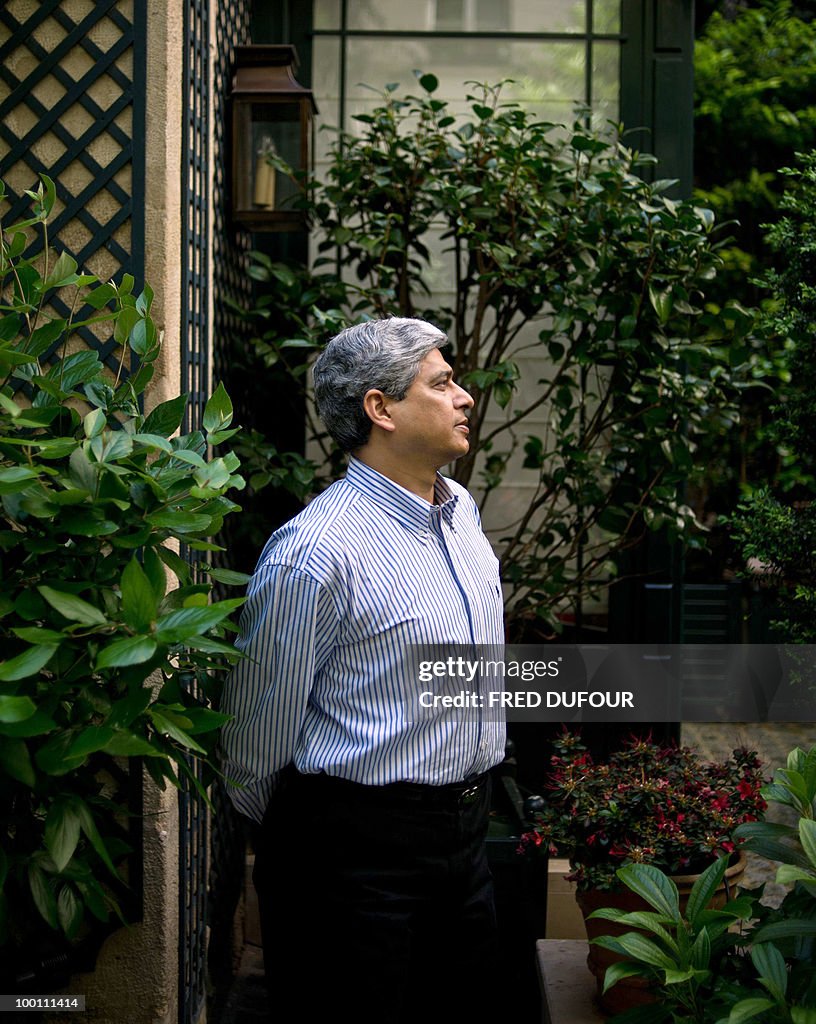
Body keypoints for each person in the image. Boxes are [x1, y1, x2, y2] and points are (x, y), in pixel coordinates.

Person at [219, 317, 506, 1023]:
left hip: (468, 840)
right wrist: (318, 844)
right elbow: (253, 746)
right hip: (353, 862)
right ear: (381, 409)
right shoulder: (315, 553)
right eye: (441, 384)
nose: (464, 397)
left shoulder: (460, 510)